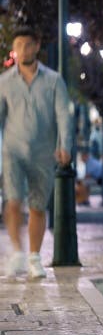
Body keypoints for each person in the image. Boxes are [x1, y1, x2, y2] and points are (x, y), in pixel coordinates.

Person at [1, 26, 73, 279]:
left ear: (37, 46)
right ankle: (18, 253)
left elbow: (63, 115)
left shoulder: (54, 80)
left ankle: (33, 257)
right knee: (12, 202)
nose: (22, 51)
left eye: (27, 46)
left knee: (37, 206)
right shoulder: (4, 82)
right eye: (18, 46)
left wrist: (65, 145)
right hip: (12, 151)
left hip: (43, 152)